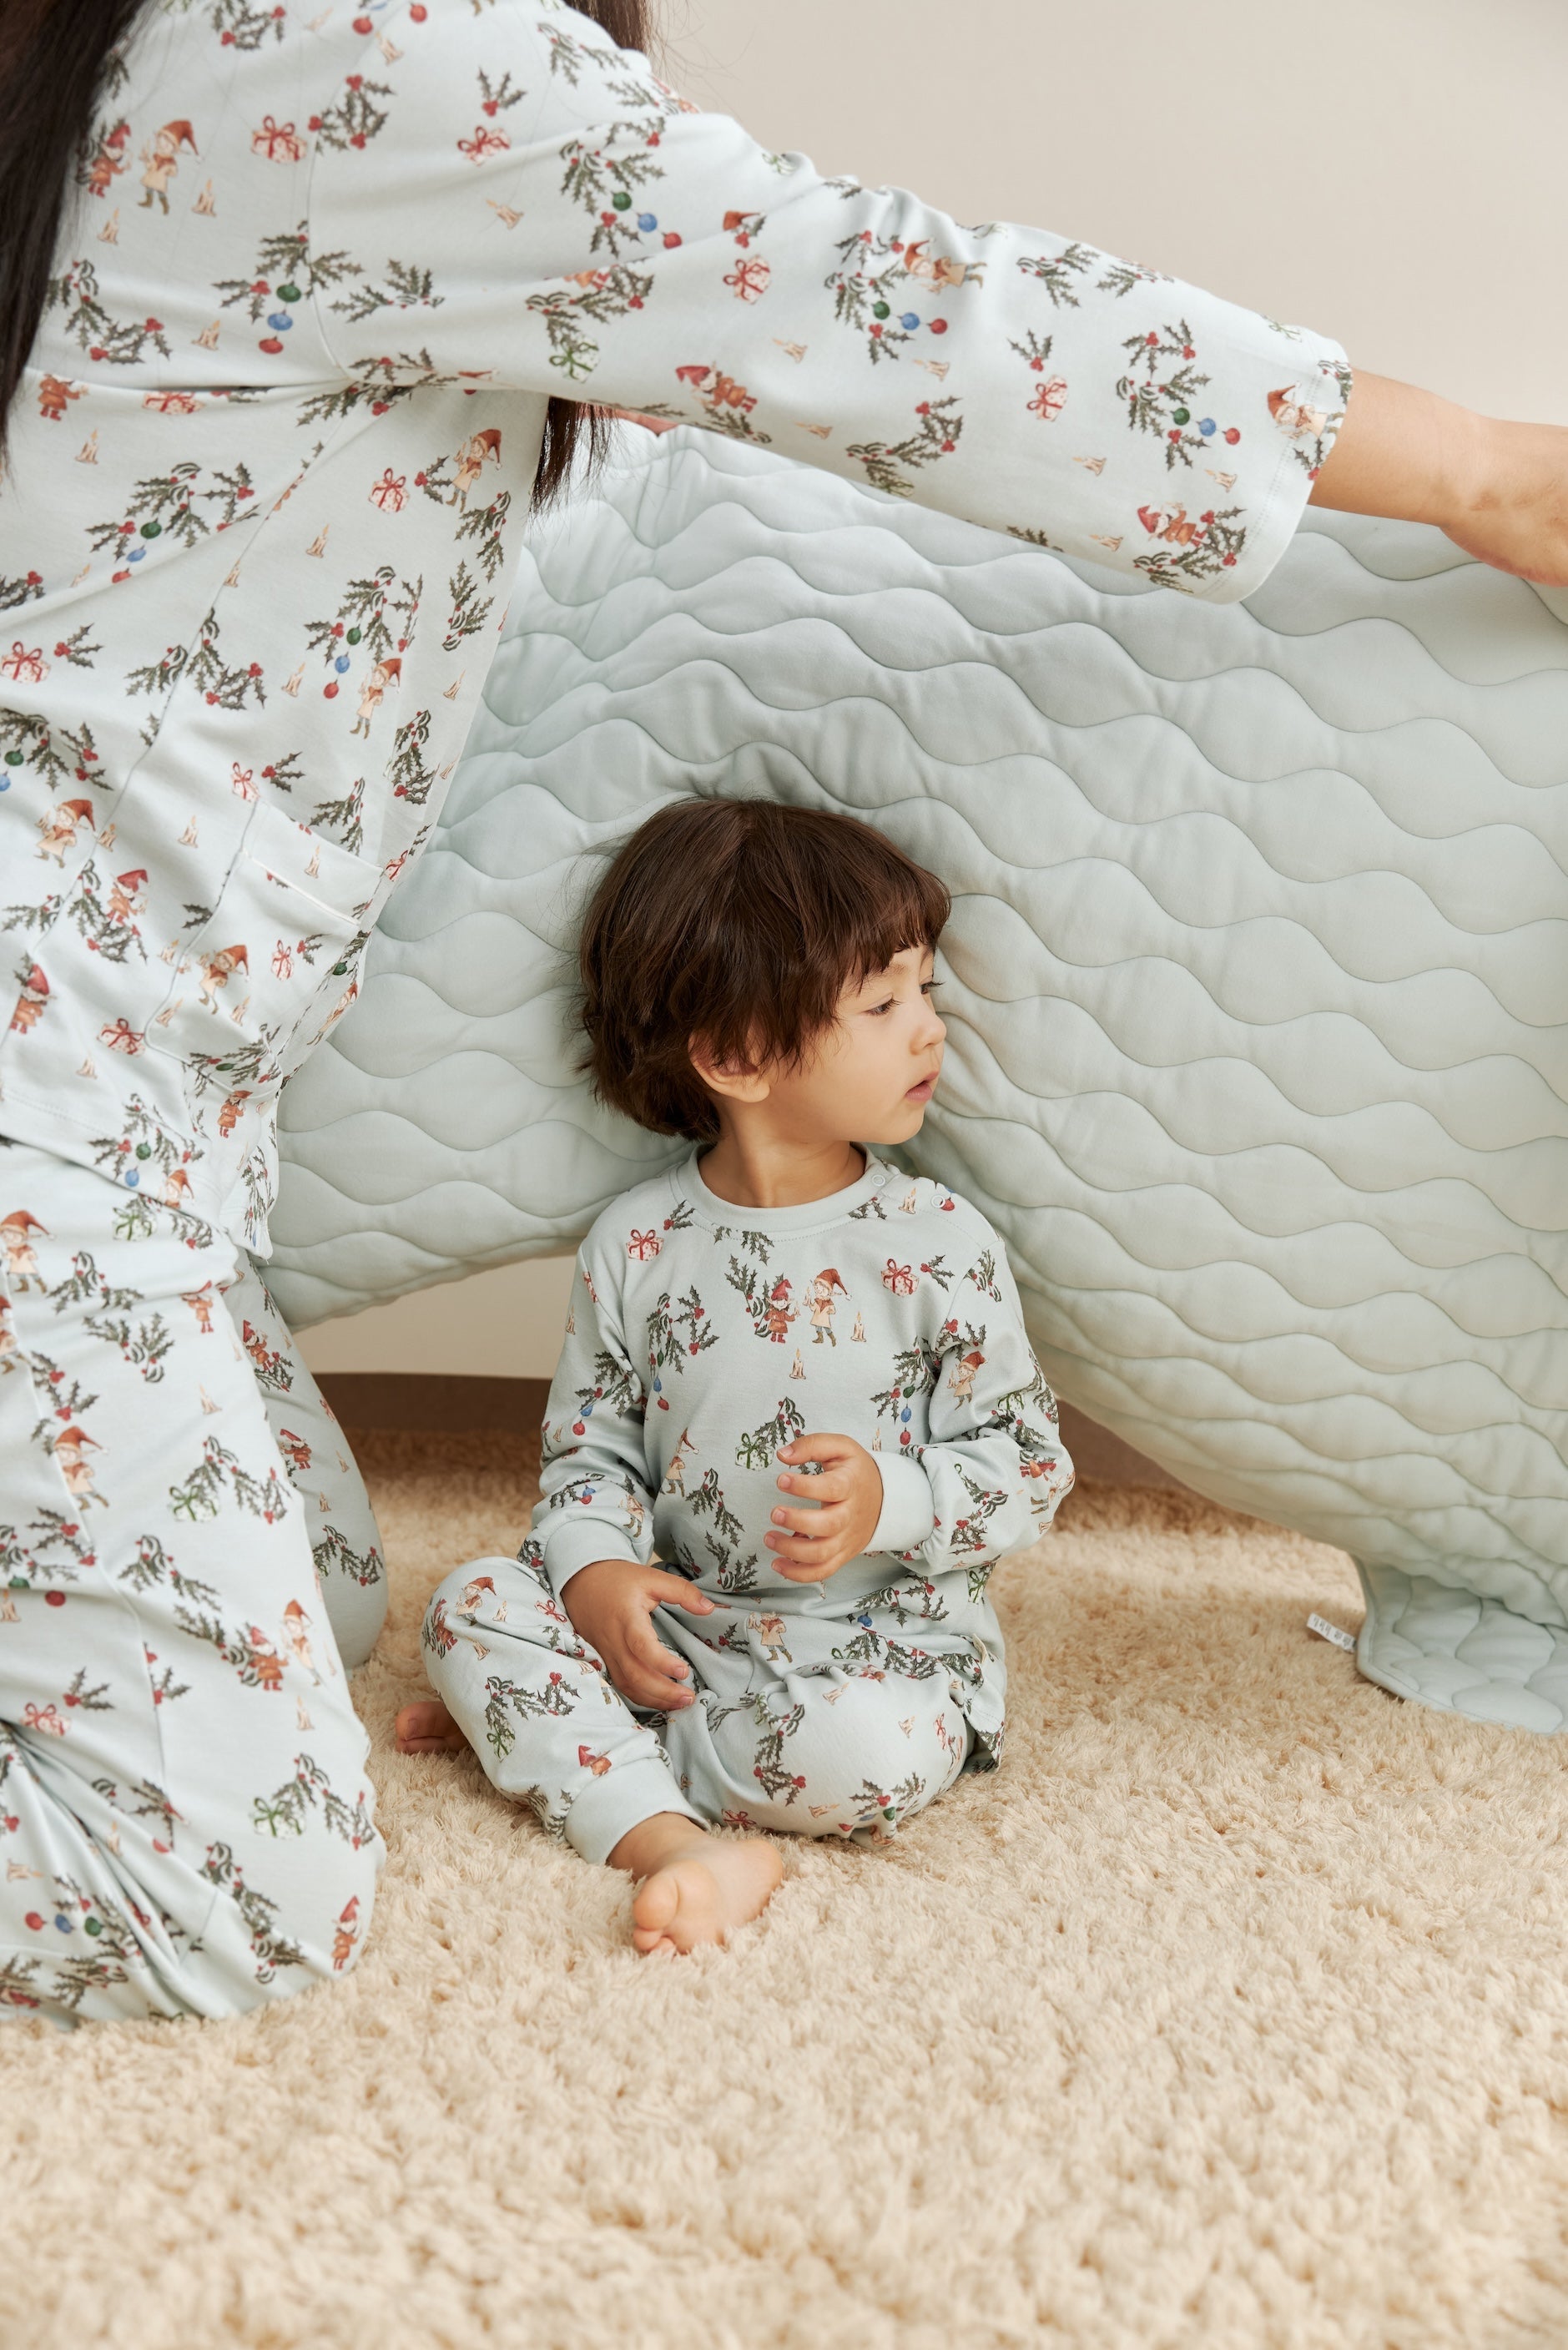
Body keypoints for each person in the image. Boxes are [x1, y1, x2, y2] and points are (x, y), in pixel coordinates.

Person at [3, 0, 1565, 2022]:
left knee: (317, 1590)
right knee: (218, 1881)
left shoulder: (215, 68)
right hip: (50, 1087)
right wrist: (1482, 473)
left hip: (146, 1118)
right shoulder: (346, 44)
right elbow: (897, 317)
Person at [397, 799, 1076, 1953]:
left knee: (866, 1764)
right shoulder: (638, 1244)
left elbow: (1030, 1466)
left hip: (873, 1650)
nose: (928, 1032)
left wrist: (890, 1501)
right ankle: (665, 1817)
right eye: (882, 1003)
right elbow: (591, 1454)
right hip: (681, 1627)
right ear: (738, 1057)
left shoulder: (938, 1242)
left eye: (927, 992)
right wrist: (600, 1576)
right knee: (467, 1605)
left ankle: (584, 1761)